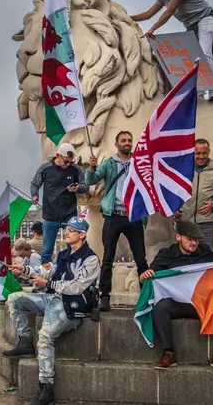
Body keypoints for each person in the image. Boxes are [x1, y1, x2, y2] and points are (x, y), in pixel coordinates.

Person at [2, 216, 100, 405]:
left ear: (82, 234)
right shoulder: (63, 254)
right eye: (67, 229)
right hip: (52, 298)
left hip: (71, 306)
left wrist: (47, 283)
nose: (67, 232)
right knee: (14, 299)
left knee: (45, 335)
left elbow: (77, 287)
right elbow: (47, 269)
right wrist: (25, 269)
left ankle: (46, 388)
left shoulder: (91, 259)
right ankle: (25, 342)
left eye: (72, 230)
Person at [145, 220, 213, 372]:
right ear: (178, 237)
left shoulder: (206, 252)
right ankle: (168, 352)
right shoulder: (166, 254)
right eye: (189, 239)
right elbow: (149, 277)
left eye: (196, 240)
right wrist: (144, 275)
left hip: (203, 302)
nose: (193, 243)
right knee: (160, 308)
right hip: (178, 304)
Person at [131, 0, 213, 101]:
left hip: (205, 19)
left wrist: (152, 29)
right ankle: (200, 93)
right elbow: (148, 14)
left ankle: (212, 91)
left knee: (205, 52)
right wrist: (126, 17)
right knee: (193, 59)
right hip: (191, 26)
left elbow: (169, 11)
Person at [86, 130, 149, 311]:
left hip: (133, 216)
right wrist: (91, 168)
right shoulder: (109, 164)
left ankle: (146, 296)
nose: (127, 143)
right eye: (123, 140)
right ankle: (104, 297)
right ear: (117, 144)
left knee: (141, 259)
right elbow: (92, 179)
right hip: (114, 215)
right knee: (107, 258)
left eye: (129, 140)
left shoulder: (139, 164)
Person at [29, 143, 89, 263]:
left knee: (73, 247)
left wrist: (77, 188)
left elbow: (85, 186)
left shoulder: (75, 169)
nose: (68, 165)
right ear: (58, 156)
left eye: (70, 162)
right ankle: (45, 277)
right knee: (47, 251)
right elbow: (35, 183)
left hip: (69, 216)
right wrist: (34, 196)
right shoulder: (45, 168)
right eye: (66, 161)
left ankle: (70, 273)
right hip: (50, 216)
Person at [178, 138, 213, 242]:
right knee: (184, 257)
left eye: (204, 153)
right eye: (198, 153)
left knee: (205, 256)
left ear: (209, 152)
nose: (201, 157)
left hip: (206, 223)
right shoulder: (182, 170)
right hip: (185, 222)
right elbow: (173, 193)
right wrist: (174, 209)